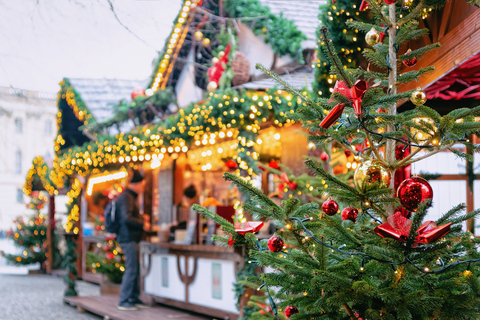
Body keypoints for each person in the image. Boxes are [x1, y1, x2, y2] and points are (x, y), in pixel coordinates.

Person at [116, 169, 148, 311]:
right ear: (136, 184)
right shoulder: (126, 197)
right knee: (132, 269)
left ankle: (133, 298)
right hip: (128, 238)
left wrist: (141, 218)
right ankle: (124, 300)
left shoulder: (129, 197)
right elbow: (126, 218)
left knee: (135, 268)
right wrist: (142, 223)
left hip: (131, 238)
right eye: (142, 184)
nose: (143, 187)